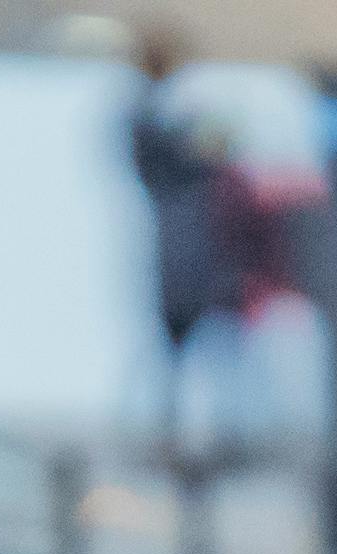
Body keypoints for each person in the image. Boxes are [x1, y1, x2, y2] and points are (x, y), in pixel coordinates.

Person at [122, 34, 254, 454]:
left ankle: (213, 438)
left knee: (208, 357)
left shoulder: (165, 125)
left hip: (198, 258)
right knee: (179, 356)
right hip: (183, 260)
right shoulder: (153, 126)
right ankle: (174, 437)